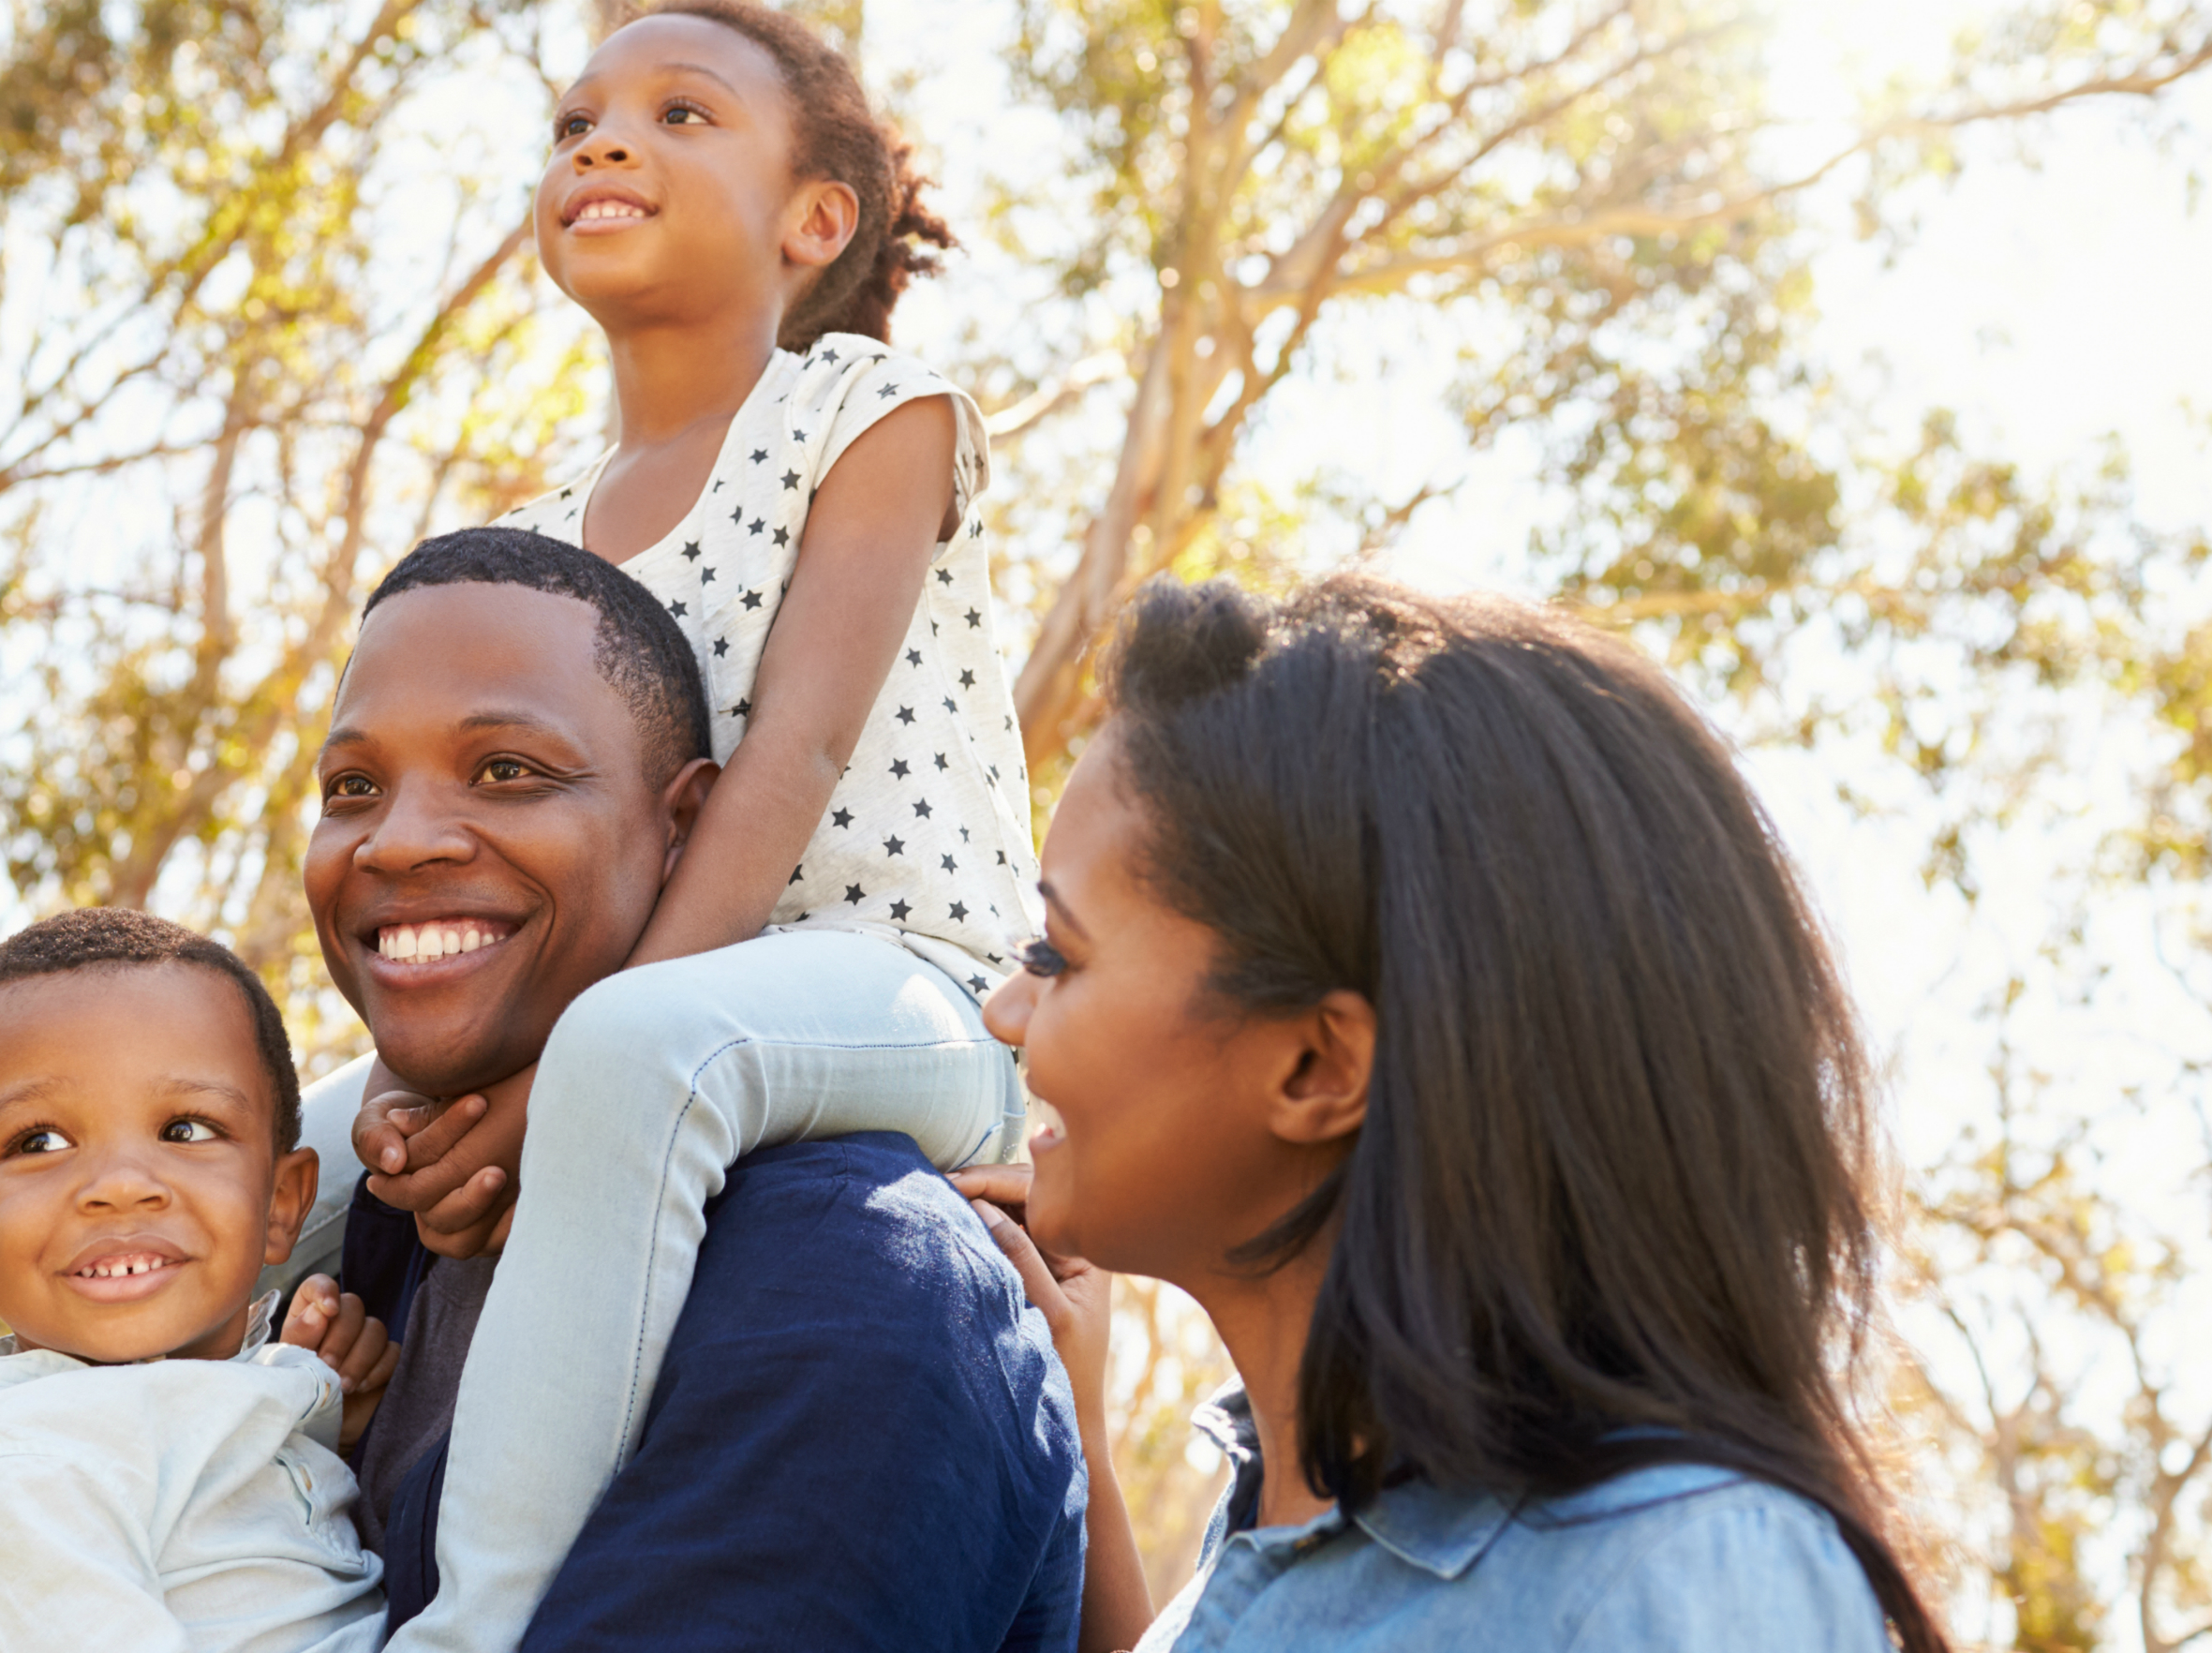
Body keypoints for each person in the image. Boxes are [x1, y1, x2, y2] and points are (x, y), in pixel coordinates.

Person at [349, 6, 1042, 1649]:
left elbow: (788, 752)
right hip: (650, 1003)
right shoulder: (528, 536)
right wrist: (406, 1092)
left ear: (813, 220)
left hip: (907, 988)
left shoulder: (869, 411)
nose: (601, 142)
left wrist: (560, 1059)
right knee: (254, 1118)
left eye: (677, 114)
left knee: (641, 1058)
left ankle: (482, 1617)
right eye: (577, 119)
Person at [958, 573, 1953, 1653]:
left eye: (1057, 954)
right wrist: (1088, 1458)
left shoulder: (1682, 1576)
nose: (1005, 1009)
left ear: (1314, 1067)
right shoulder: (1254, 1555)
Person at [310, 529, 1086, 1650]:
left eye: (508, 770)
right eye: (350, 785)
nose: (399, 840)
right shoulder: (368, 1249)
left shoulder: (852, 1276)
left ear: (684, 825)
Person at [0, 909, 401, 1653]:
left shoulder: (244, 1389)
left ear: (282, 1203)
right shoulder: (15, 1472)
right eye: (40, 1141)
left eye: (185, 1129)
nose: (120, 1186)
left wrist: (326, 1425)